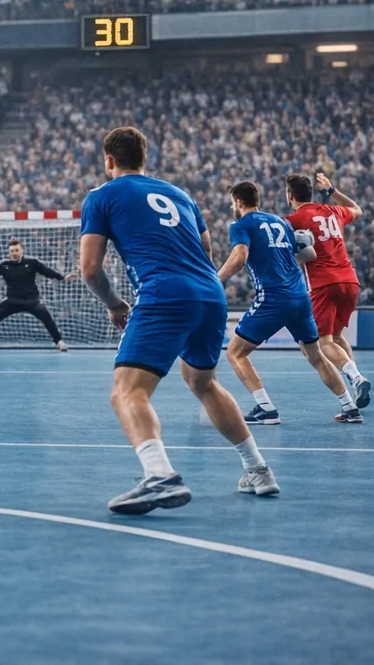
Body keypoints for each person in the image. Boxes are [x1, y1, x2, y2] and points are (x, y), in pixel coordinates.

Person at [79, 126, 279, 515]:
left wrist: (116, 304)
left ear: (108, 160)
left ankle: (159, 475)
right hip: (209, 294)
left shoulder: (101, 196)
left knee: (126, 391)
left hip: (164, 294)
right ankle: (258, 469)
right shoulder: (179, 194)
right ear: (144, 159)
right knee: (203, 381)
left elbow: (90, 270)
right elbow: (204, 247)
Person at [218, 181, 363, 425]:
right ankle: (350, 407)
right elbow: (309, 254)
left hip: (273, 298)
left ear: (239, 202)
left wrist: (216, 279)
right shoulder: (281, 222)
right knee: (315, 355)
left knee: (235, 352)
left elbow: (239, 257)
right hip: (301, 297)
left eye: (233, 202)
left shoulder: (241, 225)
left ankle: (266, 408)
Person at [285, 171, 371, 409]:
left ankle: (357, 377)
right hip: (349, 281)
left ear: (289, 196)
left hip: (323, 283)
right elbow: (357, 209)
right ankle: (355, 388)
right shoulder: (333, 210)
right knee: (336, 337)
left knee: (324, 343)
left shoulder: (292, 220)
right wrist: (333, 191)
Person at [0, 238, 77, 351]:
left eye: (17, 250)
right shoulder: (4, 266)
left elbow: (47, 271)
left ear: (21, 251)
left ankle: (59, 342)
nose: (14, 253)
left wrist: (63, 277)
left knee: (46, 316)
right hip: (12, 301)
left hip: (32, 300)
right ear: (9, 253)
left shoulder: (32, 263)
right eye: (12, 251)